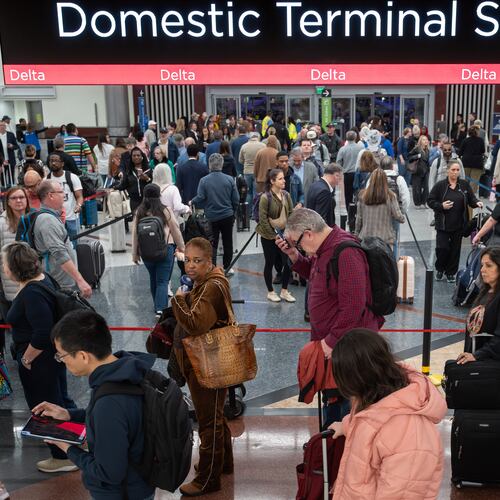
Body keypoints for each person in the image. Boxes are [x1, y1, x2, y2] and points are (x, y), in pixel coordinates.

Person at [32, 310, 156, 500]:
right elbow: (122, 420)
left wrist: (67, 448)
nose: (62, 362)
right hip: (140, 482)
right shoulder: (127, 370)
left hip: (121, 493)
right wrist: (69, 414)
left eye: (61, 356)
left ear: (82, 356)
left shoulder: (110, 402)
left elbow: (109, 474)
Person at [277, 209, 384, 422]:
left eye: (297, 243)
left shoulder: (345, 253)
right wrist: (294, 255)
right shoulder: (325, 248)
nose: (299, 247)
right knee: (334, 410)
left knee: (346, 414)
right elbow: (320, 278)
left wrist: (330, 343)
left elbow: (354, 306)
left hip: (348, 350)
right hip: (336, 347)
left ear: (308, 234)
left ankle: (343, 452)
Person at [328, 328, 446, 499]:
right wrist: (347, 425)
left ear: (357, 377)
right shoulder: (374, 395)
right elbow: (372, 424)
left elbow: (402, 493)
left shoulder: (409, 433)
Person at [4, 242, 77, 473]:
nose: (3, 267)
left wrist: (26, 359)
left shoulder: (32, 293)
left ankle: (62, 456)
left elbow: (42, 332)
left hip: (39, 360)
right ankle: (75, 442)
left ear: (14, 267)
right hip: (51, 358)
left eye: (4, 263)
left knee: (45, 405)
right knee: (60, 399)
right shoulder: (42, 280)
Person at [171, 237, 234, 496]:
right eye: (187, 260)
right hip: (209, 361)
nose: (191, 266)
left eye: (198, 261)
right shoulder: (207, 282)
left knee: (209, 422)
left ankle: (208, 479)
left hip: (210, 363)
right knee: (216, 416)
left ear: (210, 261)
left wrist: (177, 300)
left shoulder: (211, 288)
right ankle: (223, 463)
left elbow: (196, 324)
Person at [132, 184, 185, 315]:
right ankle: (160, 309)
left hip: (146, 251)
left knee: (153, 278)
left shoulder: (139, 211)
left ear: (144, 196)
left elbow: (134, 233)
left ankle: (157, 305)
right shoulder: (164, 210)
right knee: (162, 280)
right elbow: (175, 229)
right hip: (165, 249)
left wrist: (135, 254)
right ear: (159, 195)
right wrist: (182, 247)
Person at [33, 180, 92, 297]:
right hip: (58, 283)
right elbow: (59, 253)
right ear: (51, 195)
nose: (64, 196)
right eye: (61, 192)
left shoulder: (51, 216)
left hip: (59, 280)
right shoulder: (47, 221)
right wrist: (80, 280)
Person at [427, 161, 482, 283]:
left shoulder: (464, 185)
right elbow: (430, 201)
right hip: (443, 224)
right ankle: (440, 268)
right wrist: (441, 206)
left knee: (455, 250)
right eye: (453, 170)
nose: (455, 172)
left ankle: (451, 272)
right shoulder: (440, 185)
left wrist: (477, 202)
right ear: (448, 170)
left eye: (457, 170)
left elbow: (471, 199)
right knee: (442, 248)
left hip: (459, 224)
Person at [191, 154, 239, 272]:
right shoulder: (229, 179)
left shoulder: (204, 180)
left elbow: (201, 197)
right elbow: (236, 199)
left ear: (209, 165)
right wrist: (233, 212)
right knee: (228, 242)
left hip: (211, 217)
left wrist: (192, 201)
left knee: (212, 243)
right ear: (221, 164)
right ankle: (227, 267)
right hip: (227, 215)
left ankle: (211, 268)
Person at [256, 169, 295, 303]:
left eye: (283, 178)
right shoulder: (265, 197)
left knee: (288, 262)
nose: (284, 181)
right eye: (280, 179)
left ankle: (284, 290)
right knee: (270, 262)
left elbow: (291, 214)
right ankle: (270, 291)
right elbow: (263, 219)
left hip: (284, 233)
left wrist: (288, 233)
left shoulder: (286, 195)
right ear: (272, 181)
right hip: (268, 236)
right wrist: (274, 236)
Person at [0, 186, 30, 354]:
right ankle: (19, 347)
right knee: (17, 318)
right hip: (10, 280)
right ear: (8, 202)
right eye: (14, 198)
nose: (19, 201)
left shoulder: (32, 218)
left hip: (32, 276)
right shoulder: (2, 223)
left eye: (21, 197)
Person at [457, 247, 500, 364]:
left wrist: (477, 355)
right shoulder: (485, 292)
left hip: (491, 362)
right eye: (482, 265)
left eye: (489, 265)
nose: (482, 270)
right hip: (477, 356)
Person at [355, 168, 405, 249]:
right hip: (385, 239)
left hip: (366, 238)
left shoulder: (362, 195)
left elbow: (359, 218)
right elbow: (398, 217)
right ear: (385, 181)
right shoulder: (391, 196)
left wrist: (356, 234)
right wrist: (402, 216)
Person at [46, 153, 84, 244]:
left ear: (62, 164)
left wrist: (78, 205)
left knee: (74, 245)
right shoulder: (46, 180)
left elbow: (79, 196)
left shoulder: (72, 177)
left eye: (56, 161)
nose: (53, 163)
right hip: (54, 219)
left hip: (71, 218)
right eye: (51, 161)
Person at [116, 147, 151, 213]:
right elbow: (124, 184)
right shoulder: (129, 171)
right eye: (134, 156)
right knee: (136, 221)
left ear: (142, 157)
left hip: (147, 200)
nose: (136, 157)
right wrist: (114, 188)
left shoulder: (148, 169)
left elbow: (153, 184)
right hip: (134, 201)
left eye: (138, 155)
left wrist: (147, 179)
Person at [337, 131, 364, 209]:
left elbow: (338, 162)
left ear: (346, 138)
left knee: (347, 194)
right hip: (358, 173)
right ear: (355, 137)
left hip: (347, 174)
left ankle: (349, 211)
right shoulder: (361, 148)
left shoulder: (342, 149)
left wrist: (341, 170)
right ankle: (358, 209)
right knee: (358, 192)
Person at [239, 131, 266, 203]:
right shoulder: (263, 146)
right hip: (258, 172)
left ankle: (248, 212)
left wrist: (246, 163)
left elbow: (240, 160)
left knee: (248, 193)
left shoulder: (244, 146)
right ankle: (255, 212)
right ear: (258, 137)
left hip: (247, 171)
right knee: (256, 192)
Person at [459, 126, 486, 195]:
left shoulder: (465, 140)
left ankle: (464, 197)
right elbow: (483, 151)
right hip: (477, 164)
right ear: (477, 132)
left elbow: (460, 152)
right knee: (474, 182)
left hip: (466, 163)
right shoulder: (481, 140)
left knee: (465, 181)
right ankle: (471, 198)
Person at [409, 135, 431, 208]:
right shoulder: (417, 149)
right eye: (424, 140)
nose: (426, 141)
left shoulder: (428, 150)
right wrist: (416, 156)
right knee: (416, 188)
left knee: (426, 187)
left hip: (426, 171)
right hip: (417, 170)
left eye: (426, 140)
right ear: (420, 141)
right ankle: (417, 203)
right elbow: (409, 157)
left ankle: (424, 202)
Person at [0, 121, 20, 186]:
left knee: (11, 176)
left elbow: (17, 146)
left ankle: (11, 188)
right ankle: (4, 189)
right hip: (1, 161)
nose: (2, 127)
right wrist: (2, 160)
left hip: (11, 159)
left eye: (3, 125)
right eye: (0, 125)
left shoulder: (11, 134)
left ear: (5, 126)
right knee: (2, 177)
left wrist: (12, 146)